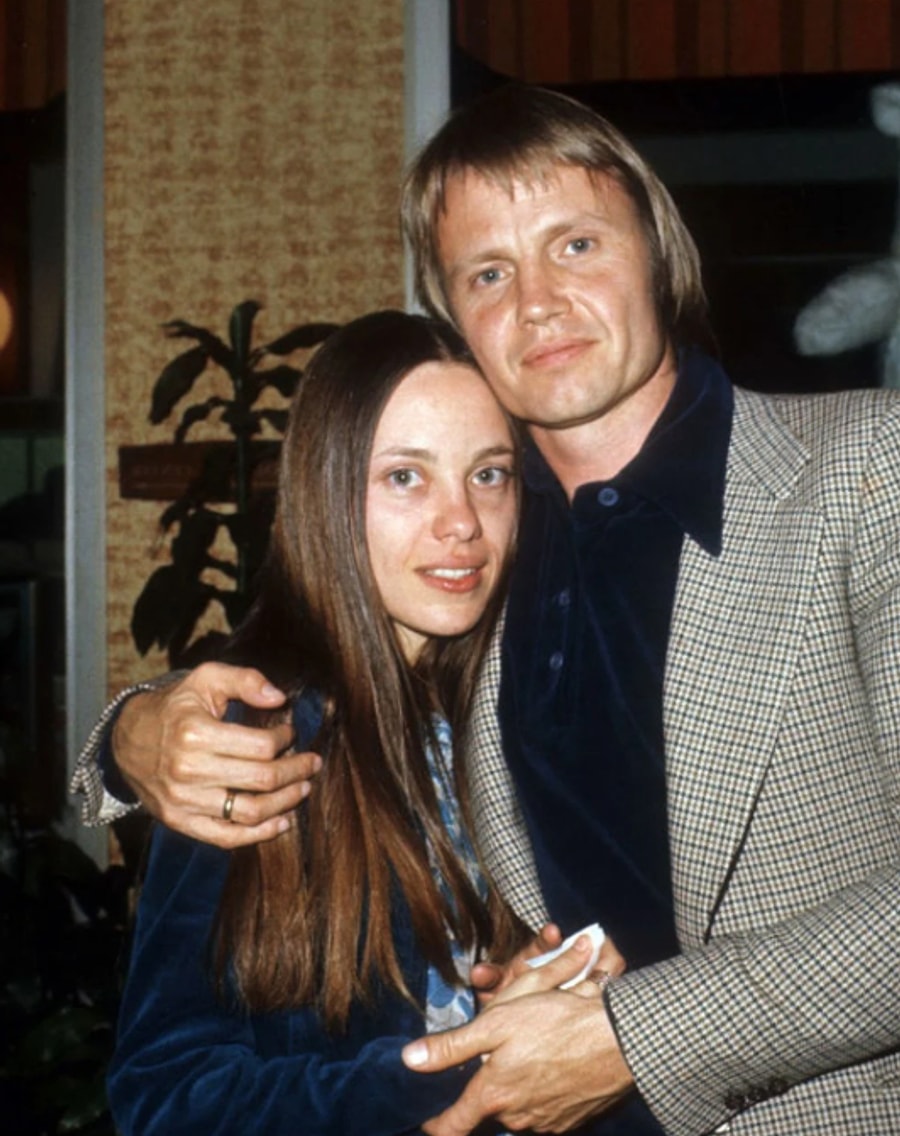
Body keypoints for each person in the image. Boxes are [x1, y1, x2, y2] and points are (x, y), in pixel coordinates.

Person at [74, 87, 900, 1135]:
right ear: (454, 311)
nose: (539, 302)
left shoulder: (868, 469)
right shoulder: (492, 554)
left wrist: (630, 1035)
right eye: (490, 273)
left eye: (577, 244)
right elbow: (332, 658)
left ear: (660, 251)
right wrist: (132, 737)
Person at [105, 309, 620, 1136]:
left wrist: (553, 989)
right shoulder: (255, 740)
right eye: (406, 477)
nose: (462, 521)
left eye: (488, 474)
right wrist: (465, 1068)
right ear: (330, 492)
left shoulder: (524, 709)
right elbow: (165, 1097)